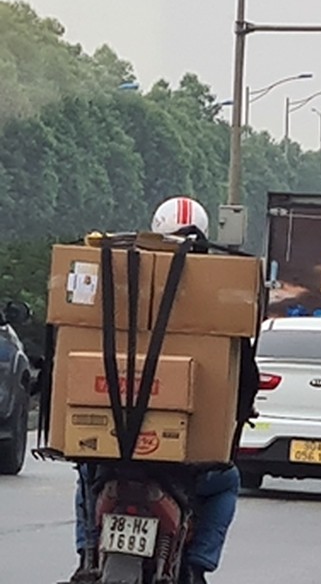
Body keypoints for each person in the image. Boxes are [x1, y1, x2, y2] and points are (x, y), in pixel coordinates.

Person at [66, 197, 259, 584]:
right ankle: (198, 564)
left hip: (112, 444)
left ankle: (87, 553)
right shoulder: (222, 293)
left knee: (87, 472)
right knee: (229, 481)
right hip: (184, 457)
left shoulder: (123, 281)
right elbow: (245, 378)